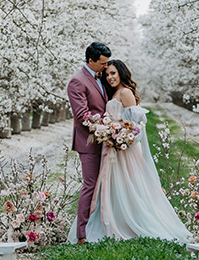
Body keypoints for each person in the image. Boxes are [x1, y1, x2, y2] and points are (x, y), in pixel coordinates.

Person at [68, 59, 191, 244]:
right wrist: (110, 134)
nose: (109, 77)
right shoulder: (114, 93)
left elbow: (138, 126)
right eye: (107, 74)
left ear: (121, 73)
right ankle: (112, 220)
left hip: (123, 150)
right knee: (113, 186)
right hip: (111, 148)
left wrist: (122, 137)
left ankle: (129, 222)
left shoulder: (125, 92)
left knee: (128, 187)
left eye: (113, 73)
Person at [67, 42, 111, 244]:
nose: (105, 67)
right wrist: (108, 123)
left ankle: (100, 227)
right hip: (89, 141)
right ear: (91, 61)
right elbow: (81, 115)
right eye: (102, 63)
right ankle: (82, 234)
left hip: (105, 139)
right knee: (90, 185)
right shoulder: (77, 81)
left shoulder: (100, 76)